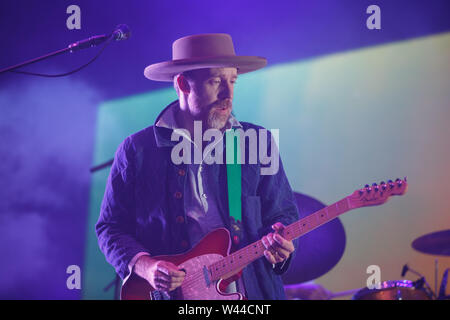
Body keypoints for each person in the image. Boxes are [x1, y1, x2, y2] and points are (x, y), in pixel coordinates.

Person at [96, 33, 299, 300]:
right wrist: (146, 266)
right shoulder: (137, 150)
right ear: (183, 84)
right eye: (216, 81)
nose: (228, 94)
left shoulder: (257, 142)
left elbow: (282, 215)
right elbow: (110, 227)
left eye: (232, 81)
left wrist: (281, 247)